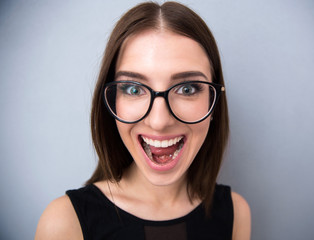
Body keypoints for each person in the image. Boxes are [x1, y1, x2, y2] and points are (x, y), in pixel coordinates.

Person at [35, 1, 251, 239]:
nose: (159, 121)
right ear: (111, 100)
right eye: (134, 89)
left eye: (187, 88)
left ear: (214, 103)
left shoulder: (235, 213)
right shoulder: (64, 223)